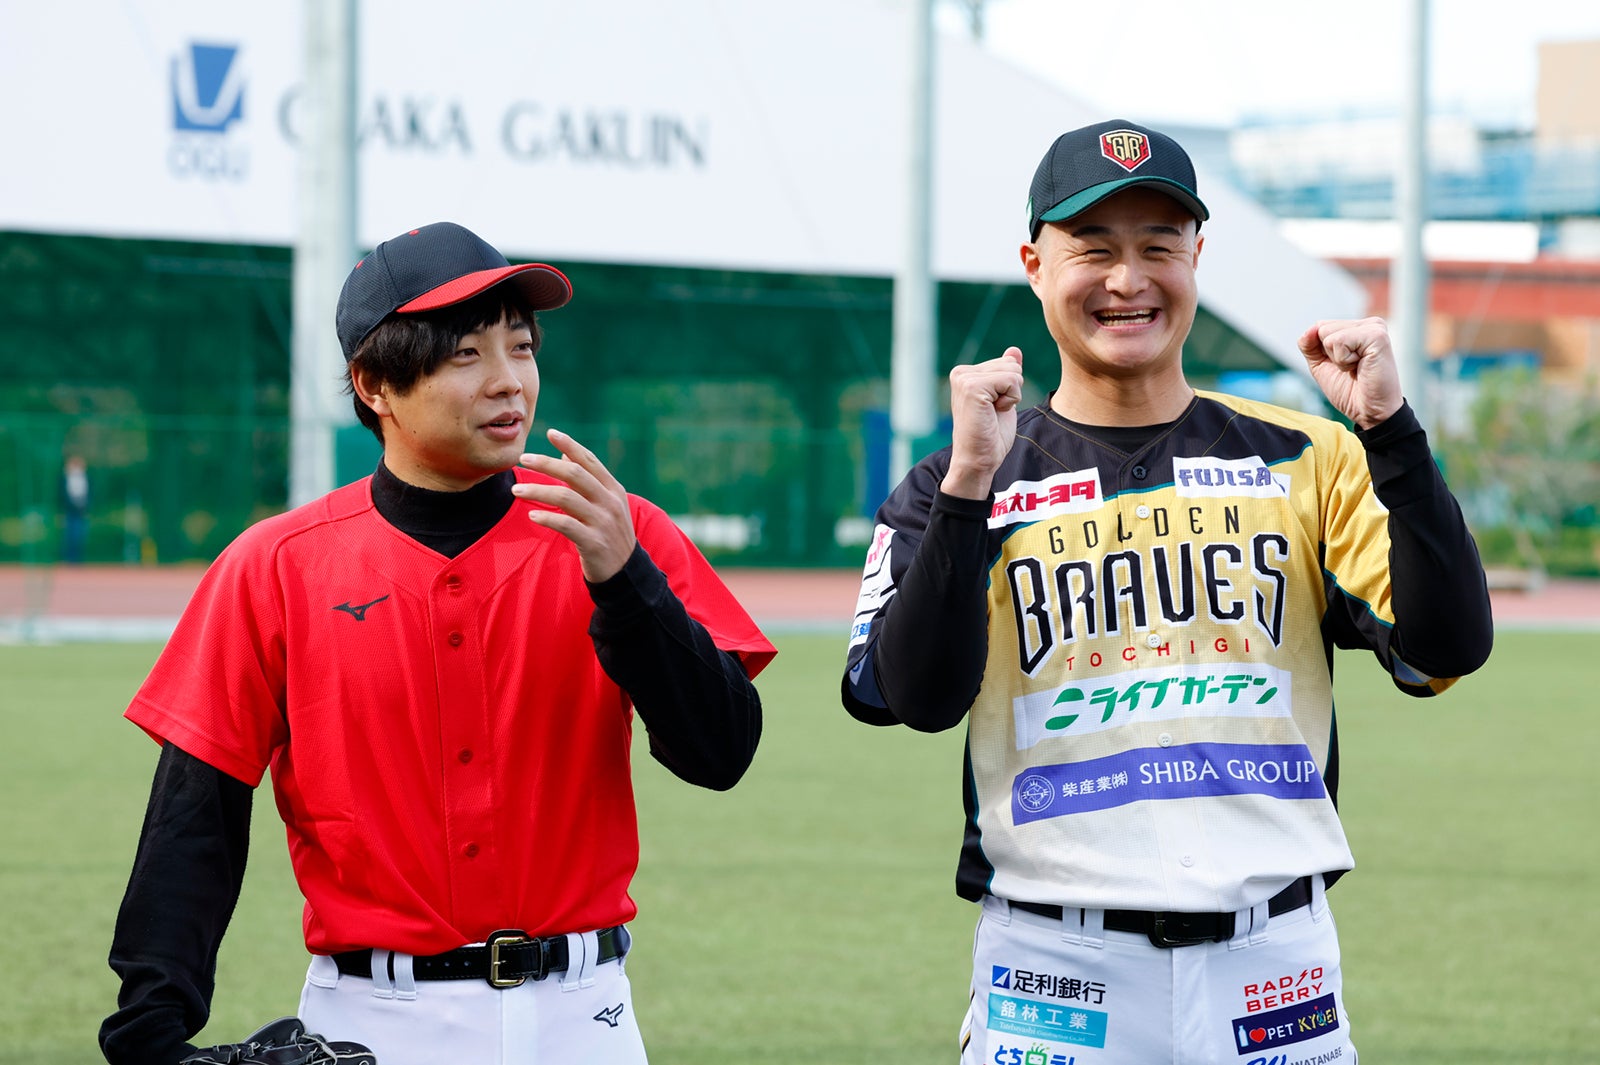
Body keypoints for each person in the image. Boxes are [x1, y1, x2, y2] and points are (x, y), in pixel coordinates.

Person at [841, 119, 1493, 1065]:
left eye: (1158, 246)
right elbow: (910, 697)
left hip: (1277, 972)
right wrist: (967, 491)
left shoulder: (1310, 456)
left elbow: (1447, 646)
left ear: (1199, 255)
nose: (1127, 278)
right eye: (1092, 249)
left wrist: (1392, 432)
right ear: (1034, 263)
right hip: (1053, 968)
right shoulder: (960, 482)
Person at [101, 221, 777, 1065]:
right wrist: (151, 1034)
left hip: (585, 1017)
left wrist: (625, 582)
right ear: (375, 383)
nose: (509, 381)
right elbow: (195, 817)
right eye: (466, 354)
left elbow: (722, 751)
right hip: (372, 1023)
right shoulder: (274, 564)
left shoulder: (615, 529)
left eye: (521, 347)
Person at [61, 452, 90, 564]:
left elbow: (89, 494)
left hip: (82, 510)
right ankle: (69, 558)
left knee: (80, 535)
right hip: (69, 510)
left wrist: (85, 506)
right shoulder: (65, 478)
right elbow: (62, 495)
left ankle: (78, 559)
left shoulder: (86, 477)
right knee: (69, 535)